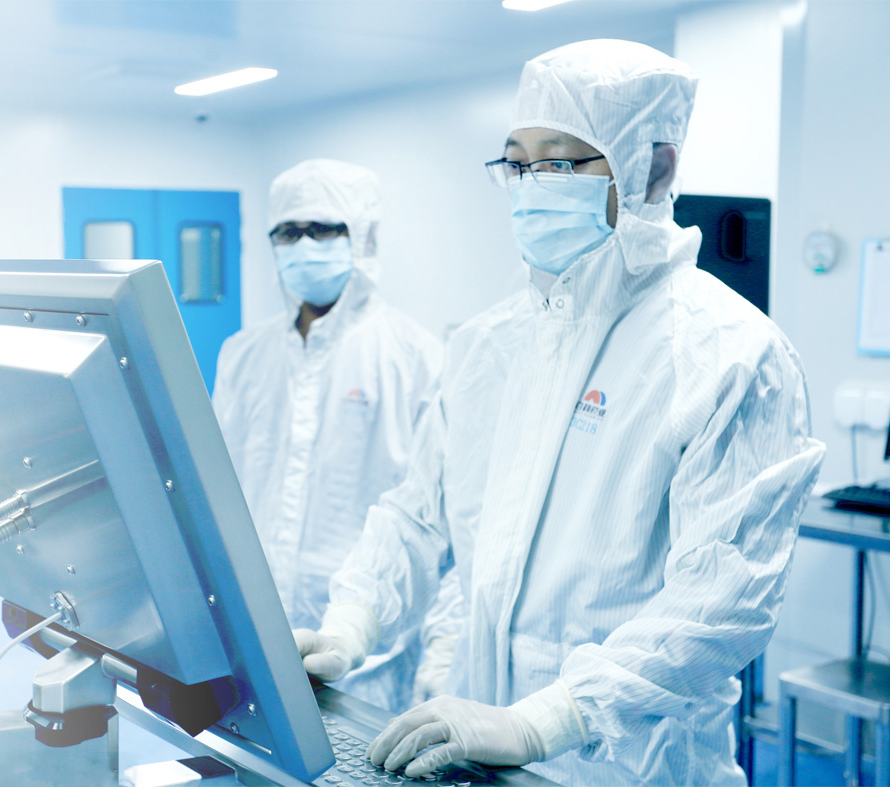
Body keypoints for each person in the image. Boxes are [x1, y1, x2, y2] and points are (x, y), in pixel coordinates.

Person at [291, 40, 824, 786]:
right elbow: (416, 516)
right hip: (476, 752)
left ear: (654, 168)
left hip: (633, 769)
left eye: (560, 163)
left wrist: (546, 719)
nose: (531, 186)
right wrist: (352, 622)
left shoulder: (730, 354)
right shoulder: (489, 345)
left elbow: (720, 604)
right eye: (517, 163)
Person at [212, 159, 456, 714]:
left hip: (370, 664)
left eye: (323, 229)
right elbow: (216, 488)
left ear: (363, 238)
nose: (304, 245)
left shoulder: (416, 358)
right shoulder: (243, 356)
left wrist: (444, 648)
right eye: (288, 232)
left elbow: (440, 523)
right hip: (250, 641)